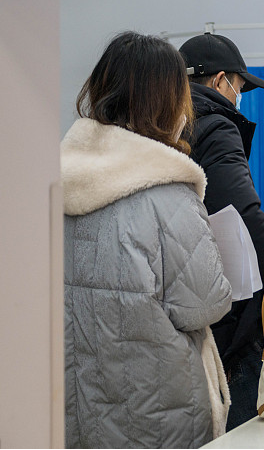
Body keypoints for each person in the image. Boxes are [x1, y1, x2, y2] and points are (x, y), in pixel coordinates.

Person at [62, 32, 232, 448]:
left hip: (75, 405)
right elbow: (204, 303)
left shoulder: (55, 185)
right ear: (169, 101)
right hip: (156, 411)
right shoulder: (168, 196)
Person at [178, 32, 264, 430]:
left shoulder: (166, 127)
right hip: (226, 307)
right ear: (219, 82)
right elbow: (242, 211)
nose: (240, 95)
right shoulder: (215, 125)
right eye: (239, 85)